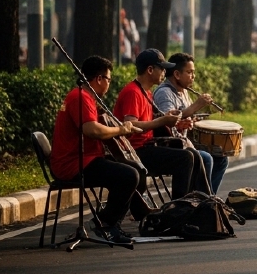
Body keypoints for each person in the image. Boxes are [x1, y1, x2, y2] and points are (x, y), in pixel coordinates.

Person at [50, 55, 145, 244]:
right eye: (108, 79)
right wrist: (120, 129)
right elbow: (91, 130)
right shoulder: (81, 97)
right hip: (74, 163)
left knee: (131, 170)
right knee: (129, 175)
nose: (109, 84)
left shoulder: (86, 97)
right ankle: (104, 223)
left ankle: (112, 224)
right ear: (99, 79)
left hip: (84, 158)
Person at [115, 49, 203, 201]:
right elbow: (130, 124)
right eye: (162, 68)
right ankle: (179, 209)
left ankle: (199, 201)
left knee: (194, 154)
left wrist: (175, 120)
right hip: (134, 150)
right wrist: (162, 120)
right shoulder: (133, 92)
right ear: (150, 70)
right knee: (186, 158)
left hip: (147, 145)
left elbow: (152, 120)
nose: (165, 72)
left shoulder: (146, 92)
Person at [154, 52, 226, 194]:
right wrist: (197, 105)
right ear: (177, 74)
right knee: (205, 158)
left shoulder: (184, 92)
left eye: (193, 73)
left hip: (185, 142)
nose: (193, 76)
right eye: (189, 72)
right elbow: (168, 120)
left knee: (221, 158)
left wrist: (192, 120)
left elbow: (184, 117)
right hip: (170, 144)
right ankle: (203, 202)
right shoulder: (164, 93)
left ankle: (205, 198)